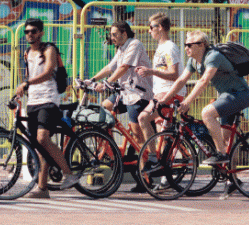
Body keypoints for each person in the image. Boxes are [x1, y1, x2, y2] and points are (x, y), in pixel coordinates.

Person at [160, 31, 249, 167]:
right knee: (225, 139)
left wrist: (187, 102)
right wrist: (163, 101)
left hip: (240, 94)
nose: (186, 48)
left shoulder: (213, 56)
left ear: (202, 45)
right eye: (185, 45)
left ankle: (221, 154)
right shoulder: (193, 61)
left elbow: (203, 81)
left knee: (207, 113)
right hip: (226, 96)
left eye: (190, 45)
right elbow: (181, 81)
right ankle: (232, 180)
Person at [13, 18, 78, 198]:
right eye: (27, 32)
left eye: (33, 31)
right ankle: (42, 188)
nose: (30, 34)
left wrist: (26, 83)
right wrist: (20, 93)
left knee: (43, 138)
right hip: (33, 101)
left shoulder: (49, 49)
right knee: (39, 146)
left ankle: (69, 174)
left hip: (49, 99)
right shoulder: (27, 53)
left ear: (41, 32)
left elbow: (48, 72)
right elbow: (29, 76)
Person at [87, 20, 152, 148]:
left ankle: (145, 166)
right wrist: (92, 80)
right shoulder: (122, 48)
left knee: (137, 135)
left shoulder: (135, 44)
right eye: (111, 35)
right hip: (124, 93)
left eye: (114, 34)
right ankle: (111, 150)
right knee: (102, 109)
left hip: (137, 95)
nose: (112, 38)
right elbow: (109, 67)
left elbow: (123, 67)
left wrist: (106, 84)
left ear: (124, 33)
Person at [136, 12, 186, 140]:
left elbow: (174, 74)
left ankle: (152, 158)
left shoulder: (169, 48)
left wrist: (151, 71)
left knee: (143, 118)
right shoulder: (161, 47)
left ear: (161, 27)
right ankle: (172, 158)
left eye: (151, 27)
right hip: (161, 93)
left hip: (168, 94)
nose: (149, 31)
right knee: (162, 137)